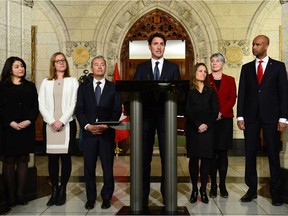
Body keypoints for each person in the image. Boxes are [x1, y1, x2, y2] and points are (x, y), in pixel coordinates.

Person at [237, 35, 288, 206]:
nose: (254, 47)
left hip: (272, 117)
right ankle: (251, 190)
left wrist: (283, 118)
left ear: (266, 46)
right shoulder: (246, 68)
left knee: (273, 154)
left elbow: (284, 94)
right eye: (253, 44)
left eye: (257, 45)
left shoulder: (279, 67)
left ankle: (276, 192)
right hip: (250, 117)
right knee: (250, 154)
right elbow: (242, 93)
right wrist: (240, 116)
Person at [133, 32, 181, 206]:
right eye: (155, 43)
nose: (159, 46)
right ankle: (143, 195)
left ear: (164, 47)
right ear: (149, 46)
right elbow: (133, 92)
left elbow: (179, 93)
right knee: (144, 159)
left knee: (167, 159)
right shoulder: (141, 68)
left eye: (161, 43)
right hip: (144, 118)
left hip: (165, 118)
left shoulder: (173, 68)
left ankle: (167, 195)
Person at [75, 55, 122, 210]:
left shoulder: (113, 87)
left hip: (106, 134)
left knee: (107, 168)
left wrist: (107, 126)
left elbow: (116, 110)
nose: (100, 67)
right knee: (89, 167)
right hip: (88, 134)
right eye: (96, 64)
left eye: (102, 64)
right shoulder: (83, 87)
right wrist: (87, 126)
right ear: (92, 67)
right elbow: (79, 110)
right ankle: (90, 198)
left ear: (105, 67)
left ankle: (107, 197)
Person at [38, 52, 78, 206]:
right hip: (50, 125)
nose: (61, 63)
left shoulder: (72, 81)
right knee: (52, 159)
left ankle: (63, 190)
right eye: (58, 61)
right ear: (53, 64)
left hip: (67, 124)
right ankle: (54, 190)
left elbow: (74, 103)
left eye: (63, 61)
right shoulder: (46, 82)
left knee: (66, 158)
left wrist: (61, 121)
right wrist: (51, 121)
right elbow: (41, 103)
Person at [0, 56, 39, 207]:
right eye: (17, 66)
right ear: (10, 69)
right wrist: (11, 122)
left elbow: (35, 107)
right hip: (8, 128)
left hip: (26, 128)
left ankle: (20, 194)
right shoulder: (2, 86)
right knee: (9, 160)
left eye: (22, 66)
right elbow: (1, 108)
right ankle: (9, 194)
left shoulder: (30, 86)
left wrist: (28, 121)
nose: (21, 69)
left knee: (23, 159)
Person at [185, 63, 218, 204]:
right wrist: (197, 124)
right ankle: (194, 189)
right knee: (193, 160)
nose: (203, 73)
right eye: (200, 71)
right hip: (193, 129)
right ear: (194, 73)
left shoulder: (211, 91)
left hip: (208, 130)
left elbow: (214, 111)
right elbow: (187, 110)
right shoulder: (189, 90)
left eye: (205, 71)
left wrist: (206, 125)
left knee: (206, 160)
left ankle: (203, 190)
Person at [208, 53, 237, 198]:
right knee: (212, 155)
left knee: (223, 154)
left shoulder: (230, 80)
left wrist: (221, 112)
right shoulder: (205, 79)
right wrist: (214, 113)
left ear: (223, 63)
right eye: (212, 61)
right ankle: (213, 185)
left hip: (225, 120)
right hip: (211, 121)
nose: (214, 63)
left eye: (217, 61)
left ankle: (223, 185)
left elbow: (232, 98)